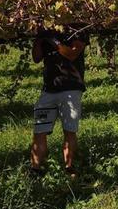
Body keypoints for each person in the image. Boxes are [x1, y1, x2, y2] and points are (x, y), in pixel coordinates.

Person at [30, 29, 87, 175]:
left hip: (71, 88)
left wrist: (54, 42)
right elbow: (36, 58)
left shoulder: (77, 29)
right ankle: (34, 170)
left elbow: (72, 54)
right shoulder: (46, 30)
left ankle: (69, 168)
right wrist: (39, 39)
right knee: (39, 130)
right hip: (49, 90)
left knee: (69, 130)